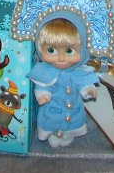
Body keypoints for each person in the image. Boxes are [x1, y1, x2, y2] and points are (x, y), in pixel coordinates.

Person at [27, 16, 99, 148]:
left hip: (74, 110)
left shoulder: (79, 71)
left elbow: (82, 84)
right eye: (51, 50)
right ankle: (54, 134)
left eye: (69, 51)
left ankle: (68, 134)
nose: (61, 58)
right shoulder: (44, 71)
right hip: (53, 110)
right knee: (52, 122)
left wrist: (87, 90)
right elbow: (43, 87)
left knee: (73, 123)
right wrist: (43, 95)